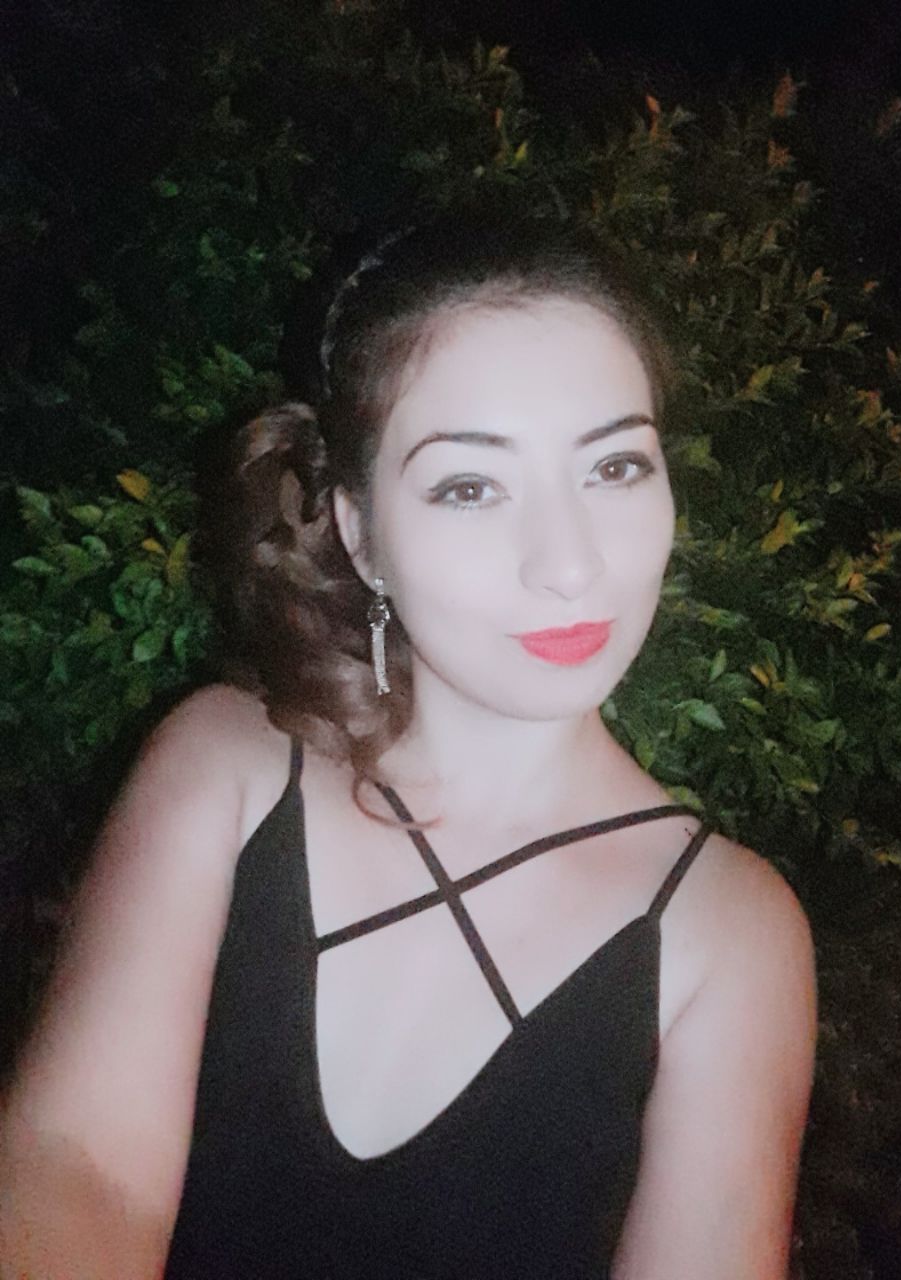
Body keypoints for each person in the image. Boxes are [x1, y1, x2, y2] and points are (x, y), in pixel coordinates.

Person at [0, 206, 817, 1279]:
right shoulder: (227, 765)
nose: (571, 564)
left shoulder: (730, 934)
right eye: (470, 486)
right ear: (358, 531)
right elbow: (78, 1170)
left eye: (616, 467)